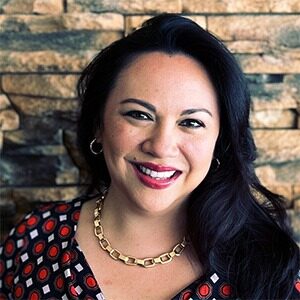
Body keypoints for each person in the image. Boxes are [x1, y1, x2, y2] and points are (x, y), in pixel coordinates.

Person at [0, 13, 299, 300]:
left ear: (219, 142)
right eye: (138, 115)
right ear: (98, 125)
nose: (161, 146)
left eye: (191, 122)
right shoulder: (35, 239)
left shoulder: (271, 269)